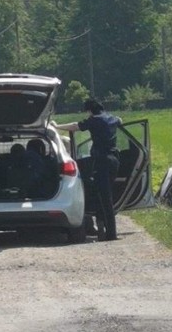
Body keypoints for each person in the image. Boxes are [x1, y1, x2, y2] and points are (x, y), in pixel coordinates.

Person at [52, 99, 122, 241]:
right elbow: (120, 120)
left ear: (90, 110)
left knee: (104, 198)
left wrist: (57, 126)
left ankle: (110, 234)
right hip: (115, 160)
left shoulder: (94, 120)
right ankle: (105, 228)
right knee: (106, 196)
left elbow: (75, 126)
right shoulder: (112, 118)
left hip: (102, 161)